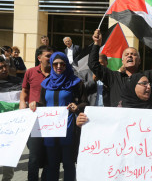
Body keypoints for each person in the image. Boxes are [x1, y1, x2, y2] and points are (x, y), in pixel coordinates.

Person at [29, 52, 88, 181]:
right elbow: (43, 104)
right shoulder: (45, 84)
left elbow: (85, 102)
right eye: (55, 64)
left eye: (62, 63)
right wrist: (35, 104)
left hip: (68, 128)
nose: (59, 66)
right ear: (51, 65)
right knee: (51, 164)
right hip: (49, 130)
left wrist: (77, 107)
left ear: (66, 64)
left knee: (68, 163)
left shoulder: (76, 82)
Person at [76, 73, 152, 128]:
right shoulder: (118, 110)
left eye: (149, 84)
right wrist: (84, 123)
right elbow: (102, 128)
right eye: (144, 84)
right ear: (133, 86)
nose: (149, 87)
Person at [89, 29, 152, 107]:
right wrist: (97, 43)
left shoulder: (148, 76)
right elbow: (93, 64)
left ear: (139, 61)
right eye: (126, 54)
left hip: (140, 121)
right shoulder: (113, 77)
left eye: (133, 54)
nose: (130, 56)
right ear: (123, 61)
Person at [20, 45, 53, 181]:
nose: (51, 59)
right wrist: (22, 108)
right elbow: (24, 92)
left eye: (52, 56)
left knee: (49, 155)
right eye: (48, 56)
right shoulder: (30, 72)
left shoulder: (58, 74)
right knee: (33, 156)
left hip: (52, 121)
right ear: (39, 58)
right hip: (34, 121)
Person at [0, 56, 22, 181]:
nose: (4, 69)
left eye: (5, 66)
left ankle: (7, 178)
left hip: (12, 126)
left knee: (10, 154)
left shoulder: (18, 82)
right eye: (0, 67)